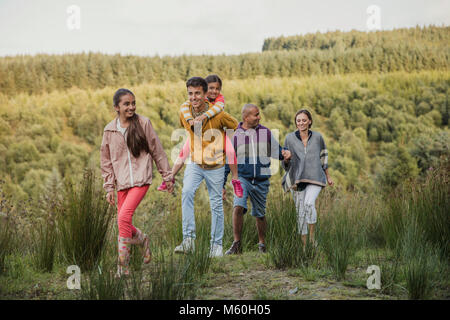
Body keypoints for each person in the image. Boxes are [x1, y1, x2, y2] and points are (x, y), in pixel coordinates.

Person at [100, 88, 174, 277]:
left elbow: (157, 150)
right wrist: (109, 187)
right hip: (121, 183)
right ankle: (142, 239)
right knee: (122, 221)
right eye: (126, 104)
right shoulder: (109, 130)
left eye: (133, 103)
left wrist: (167, 176)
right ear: (116, 107)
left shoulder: (143, 123)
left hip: (141, 179)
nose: (131, 107)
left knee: (123, 218)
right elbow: (106, 161)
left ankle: (123, 268)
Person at [174, 77, 239, 258]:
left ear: (205, 95)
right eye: (190, 94)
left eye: (197, 94)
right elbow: (186, 128)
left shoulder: (217, 114)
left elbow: (234, 125)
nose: (193, 97)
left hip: (216, 166)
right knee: (186, 192)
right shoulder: (184, 112)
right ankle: (188, 240)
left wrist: (222, 140)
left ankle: (216, 246)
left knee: (216, 204)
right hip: (195, 163)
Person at [158, 74, 243, 198]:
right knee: (184, 152)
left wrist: (203, 117)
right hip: (199, 132)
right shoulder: (198, 99)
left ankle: (235, 179)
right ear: (205, 90)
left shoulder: (219, 100)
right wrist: (189, 120)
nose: (214, 91)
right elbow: (184, 107)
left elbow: (217, 110)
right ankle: (171, 176)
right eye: (211, 88)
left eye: (217, 88)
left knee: (230, 151)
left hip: (218, 133)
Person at [223, 104, 291, 254]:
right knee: (238, 206)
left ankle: (262, 244)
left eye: (258, 114)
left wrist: (285, 155)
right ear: (246, 117)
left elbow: (276, 152)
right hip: (242, 178)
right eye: (256, 114)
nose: (259, 117)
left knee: (260, 214)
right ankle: (237, 244)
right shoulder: (235, 135)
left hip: (261, 180)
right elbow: (229, 161)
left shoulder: (265, 132)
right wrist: (222, 184)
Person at [282, 109, 334, 248]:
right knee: (300, 212)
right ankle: (304, 247)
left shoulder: (318, 137)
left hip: (316, 176)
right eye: (298, 120)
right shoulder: (289, 138)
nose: (301, 123)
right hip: (296, 179)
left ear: (309, 121)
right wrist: (286, 159)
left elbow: (324, 157)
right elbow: (285, 163)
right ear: (296, 122)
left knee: (309, 204)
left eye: (304, 120)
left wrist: (328, 177)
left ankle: (312, 238)